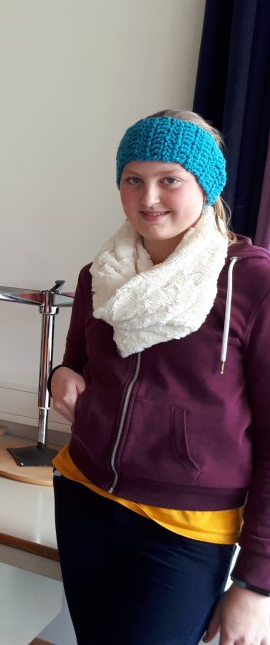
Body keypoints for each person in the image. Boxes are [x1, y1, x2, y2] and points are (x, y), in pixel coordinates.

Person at [50, 111, 270, 645]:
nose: (148, 198)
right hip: (85, 498)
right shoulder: (100, 274)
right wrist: (61, 374)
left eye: (170, 179)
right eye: (133, 179)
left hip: (187, 529)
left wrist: (256, 585)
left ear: (206, 185)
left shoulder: (252, 282)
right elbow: (77, 362)